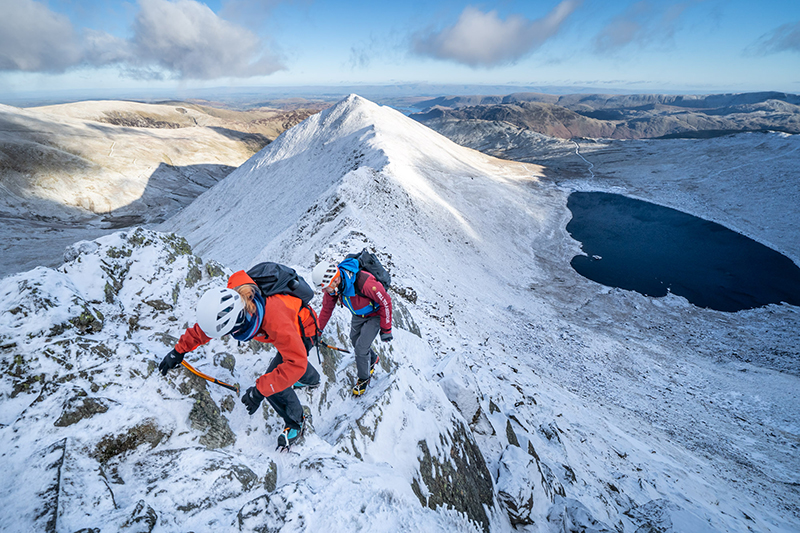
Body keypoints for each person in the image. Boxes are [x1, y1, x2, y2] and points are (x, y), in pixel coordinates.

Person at [158, 268, 320, 448]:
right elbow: (207, 327)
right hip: (291, 326)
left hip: (305, 330)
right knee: (288, 359)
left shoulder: (275, 318)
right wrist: (179, 350)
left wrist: (259, 391)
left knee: (276, 383)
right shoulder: (232, 301)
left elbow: (295, 363)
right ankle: (312, 380)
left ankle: (296, 422)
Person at [312, 256, 392, 395]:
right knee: (354, 339)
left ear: (335, 280)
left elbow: (385, 301)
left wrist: (386, 329)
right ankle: (373, 359)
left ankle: (363, 378)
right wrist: (317, 330)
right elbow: (326, 310)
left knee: (361, 348)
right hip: (358, 315)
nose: (325, 292)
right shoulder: (335, 288)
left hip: (375, 315)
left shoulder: (364, 282)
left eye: (326, 288)